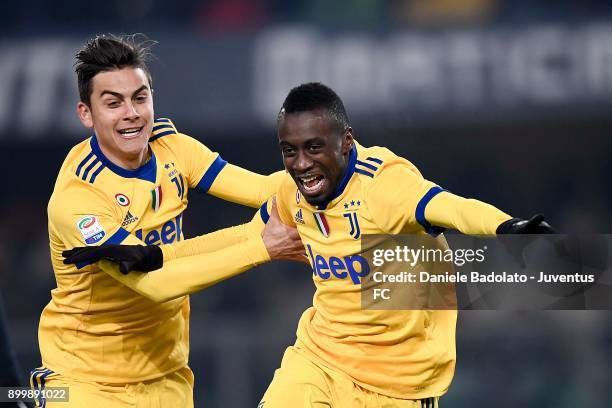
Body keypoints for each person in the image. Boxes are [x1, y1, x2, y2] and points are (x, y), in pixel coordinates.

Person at [65, 82, 554, 407]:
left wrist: (508, 229)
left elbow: (450, 207)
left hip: (402, 386)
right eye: (289, 151)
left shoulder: (385, 186)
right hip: (320, 360)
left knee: (427, 272)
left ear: (346, 140)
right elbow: (251, 218)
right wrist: (153, 254)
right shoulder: (290, 190)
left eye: (314, 148)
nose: (300, 164)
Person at [35, 34, 303, 408]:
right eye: (113, 103)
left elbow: (264, 189)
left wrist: (330, 176)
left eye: (139, 98)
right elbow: (155, 282)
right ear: (86, 114)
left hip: (167, 380)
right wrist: (260, 245)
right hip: (85, 385)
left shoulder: (172, 148)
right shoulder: (78, 200)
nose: (131, 113)